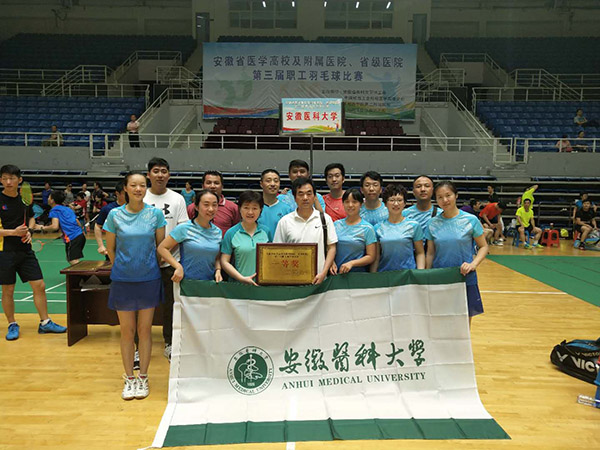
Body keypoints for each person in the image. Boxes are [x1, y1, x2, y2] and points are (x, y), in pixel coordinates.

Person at [103, 171, 166, 400]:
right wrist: (122, 266)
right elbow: (111, 249)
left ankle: (144, 377)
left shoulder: (155, 214)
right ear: (126, 188)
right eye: (133, 185)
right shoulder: (114, 215)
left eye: (142, 185)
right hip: (123, 280)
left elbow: (160, 247)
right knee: (127, 331)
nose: (138, 189)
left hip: (149, 278)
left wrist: (147, 266)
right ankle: (129, 378)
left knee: (144, 330)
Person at [0, 164, 67, 341]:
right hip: (4, 252)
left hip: (25, 250)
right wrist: (13, 232)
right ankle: (12, 324)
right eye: (5, 178)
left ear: (19, 180)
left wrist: (29, 231)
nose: (8, 182)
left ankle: (45, 322)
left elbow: (31, 218)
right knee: (8, 290)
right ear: (1, 180)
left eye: (12, 178)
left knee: (39, 285)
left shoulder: (24, 200)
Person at [144, 157, 188, 361]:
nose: (160, 175)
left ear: (169, 175)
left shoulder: (178, 199)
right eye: (156, 171)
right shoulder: (141, 197)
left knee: (171, 305)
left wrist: (165, 254)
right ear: (148, 175)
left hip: (171, 262)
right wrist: (153, 256)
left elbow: (182, 230)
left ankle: (170, 342)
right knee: (143, 305)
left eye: (164, 171)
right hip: (145, 263)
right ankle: (139, 344)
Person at [425, 181, 489, 324]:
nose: (445, 200)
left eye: (448, 195)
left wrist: (473, 264)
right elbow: (430, 253)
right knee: (440, 321)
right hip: (440, 277)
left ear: (456, 195)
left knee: (463, 322)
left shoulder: (470, 220)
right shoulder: (432, 223)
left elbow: (483, 246)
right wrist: (426, 275)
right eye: (440, 197)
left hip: (464, 276)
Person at [274, 177, 337, 285]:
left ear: (314, 196)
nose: (305, 198)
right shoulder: (284, 222)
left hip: (320, 280)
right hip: (292, 281)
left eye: (309, 193)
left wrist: (324, 272)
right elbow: (278, 251)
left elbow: (331, 247)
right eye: (300, 194)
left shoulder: (325, 219)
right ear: (294, 197)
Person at [157, 189, 223, 282]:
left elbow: (216, 258)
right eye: (206, 204)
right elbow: (162, 248)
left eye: (214, 205)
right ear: (196, 207)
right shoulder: (184, 228)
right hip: (186, 281)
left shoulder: (218, 232)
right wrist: (177, 266)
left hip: (209, 282)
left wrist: (218, 270)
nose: (211, 209)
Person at [220, 190, 270, 285]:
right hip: (238, 285)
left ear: (261, 210)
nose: (250, 212)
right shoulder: (231, 233)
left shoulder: (266, 232)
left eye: (255, 208)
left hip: (262, 285)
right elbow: (224, 261)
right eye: (246, 207)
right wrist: (241, 278)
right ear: (239, 209)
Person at [372, 184, 424, 272]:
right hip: (385, 273)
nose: (396, 204)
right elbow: (376, 257)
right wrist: (373, 275)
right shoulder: (377, 228)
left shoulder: (414, 225)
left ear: (404, 203)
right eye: (392, 200)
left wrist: (420, 273)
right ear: (385, 203)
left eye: (399, 200)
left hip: (408, 274)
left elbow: (420, 253)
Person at [331, 188, 376, 274]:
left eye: (354, 202)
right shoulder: (336, 225)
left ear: (361, 204)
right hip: (336, 274)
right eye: (347, 202)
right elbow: (330, 248)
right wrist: (331, 262)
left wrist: (352, 263)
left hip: (357, 275)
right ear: (343, 204)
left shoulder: (368, 228)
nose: (350, 205)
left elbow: (371, 256)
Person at [36, 191, 86, 265]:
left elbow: (54, 226)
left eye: (49, 197)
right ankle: (82, 272)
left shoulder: (54, 210)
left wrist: (42, 228)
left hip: (72, 238)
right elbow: (77, 222)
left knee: (73, 260)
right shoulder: (68, 209)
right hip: (80, 236)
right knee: (71, 258)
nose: (48, 199)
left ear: (52, 200)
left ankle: (85, 272)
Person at [257, 168, 294, 240]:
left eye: (276, 181)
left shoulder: (287, 209)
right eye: (268, 181)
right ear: (261, 184)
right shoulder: (254, 208)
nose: (272, 184)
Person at [202, 170, 240, 235]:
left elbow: (237, 231)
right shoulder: (193, 207)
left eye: (216, 183)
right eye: (208, 183)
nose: (212, 186)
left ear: (222, 186)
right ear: (203, 186)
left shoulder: (233, 208)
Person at [94, 181, 126, 256]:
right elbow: (98, 226)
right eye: (125, 193)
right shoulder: (108, 209)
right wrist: (101, 245)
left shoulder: (136, 208)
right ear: (117, 193)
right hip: (113, 250)